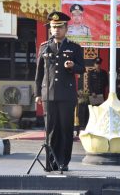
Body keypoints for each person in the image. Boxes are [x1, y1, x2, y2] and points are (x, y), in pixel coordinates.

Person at [35, 11, 85, 171]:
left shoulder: (74, 47)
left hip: (66, 95)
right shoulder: (44, 47)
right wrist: (37, 94)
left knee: (65, 129)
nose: (56, 30)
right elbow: (39, 73)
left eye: (60, 27)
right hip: (48, 95)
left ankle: (63, 161)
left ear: (66, 28)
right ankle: (51, 162)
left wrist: (72, 67)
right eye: (53, 27)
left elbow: (82, 68)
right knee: (50, 130)